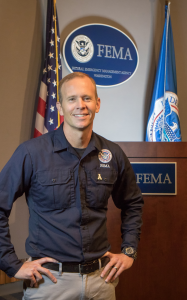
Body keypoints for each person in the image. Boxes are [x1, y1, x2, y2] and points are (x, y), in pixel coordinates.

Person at [0, 72, 144, 300]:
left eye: (87, 98)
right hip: (50, 283)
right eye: (72, 99)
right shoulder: (32, 153)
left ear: (97, 104)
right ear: (60, 107)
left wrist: (129, 251)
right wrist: (11, 264)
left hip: (100, 280)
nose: (81, 106)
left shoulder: (113, 153)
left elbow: (133, 203)